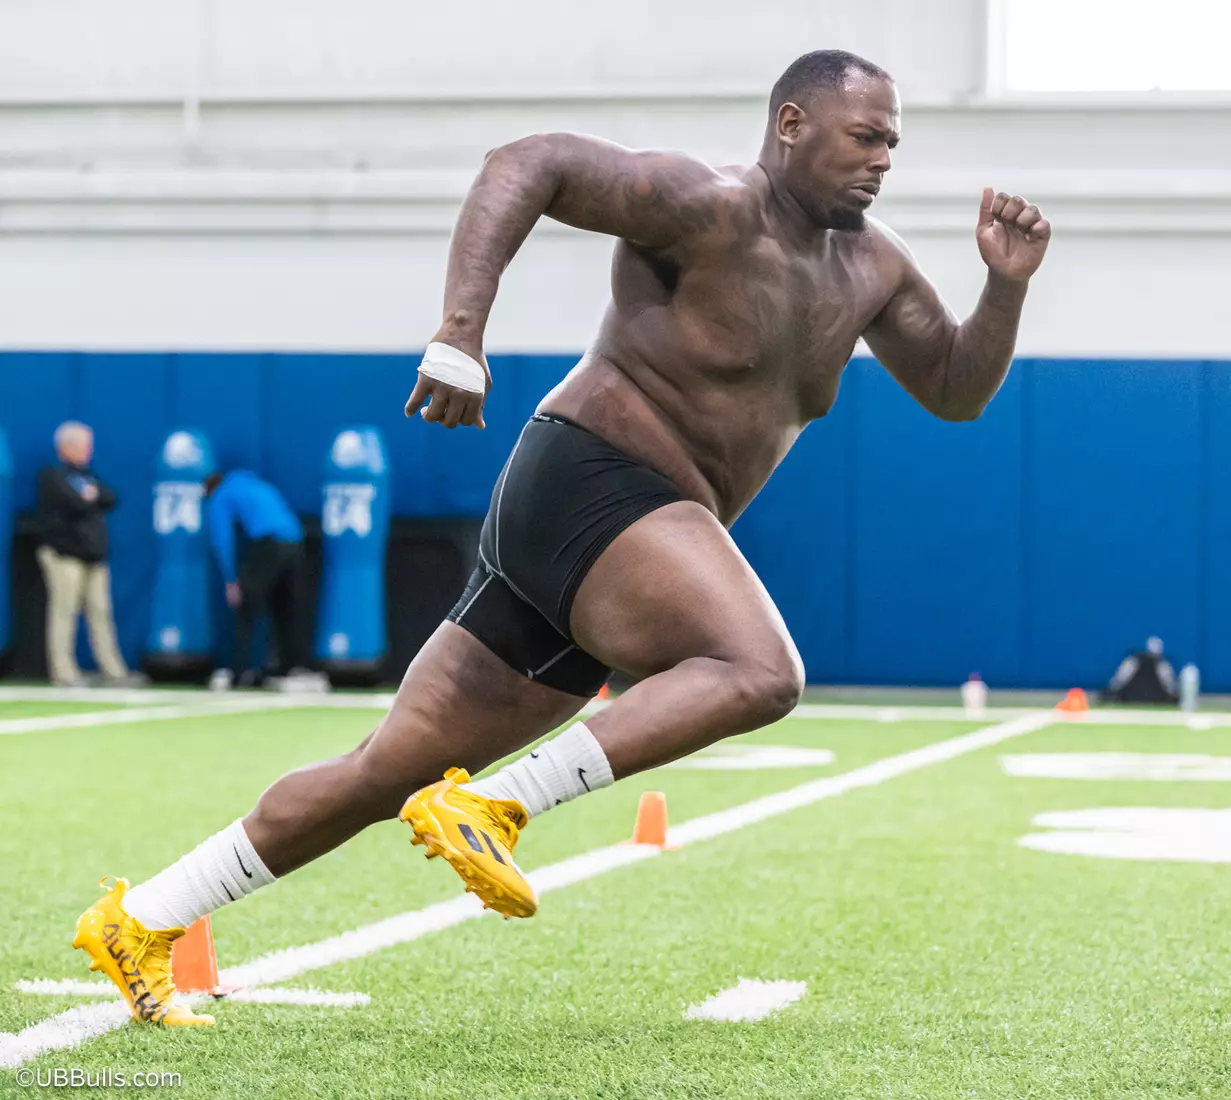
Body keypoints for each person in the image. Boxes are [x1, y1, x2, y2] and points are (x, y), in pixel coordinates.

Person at [74, 49, 1051, 1026]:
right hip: (592, 476)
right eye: (864, 135)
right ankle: (500, 806)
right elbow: (526, 161)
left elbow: (956, 388)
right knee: (760, 669)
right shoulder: (703, 204)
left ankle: (143, 915)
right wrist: (460, 330)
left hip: (618, 536)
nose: (883, 158)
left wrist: (1002, 288)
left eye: (893, 141)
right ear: (791, 123)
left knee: (384, 769)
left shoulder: (874, 269)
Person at [35, 421, 131, 686]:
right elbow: (74, 502)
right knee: (64, 612)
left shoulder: (88, 475)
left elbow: (109, 498)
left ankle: (114, 671)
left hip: (93, 556)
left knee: (101, 613)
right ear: (66, 447)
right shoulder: (52, 475)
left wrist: (94, 494)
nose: (88, 450)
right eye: (82, 445)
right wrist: (90, 497)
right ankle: (63, 673)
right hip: (64, 555)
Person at [203, 470, 307, 687]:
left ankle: (239, 672)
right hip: (295, 542)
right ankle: (288, 670)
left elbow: (222, 539)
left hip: (268, 544)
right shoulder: (253, 482)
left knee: (246, 608)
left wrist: (231, 580)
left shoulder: (221, 494)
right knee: (285, 609)